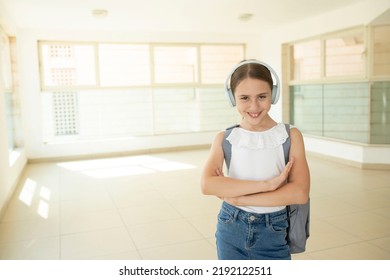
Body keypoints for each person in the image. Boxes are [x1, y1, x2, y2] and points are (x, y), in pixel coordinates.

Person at [201, 59, 310, 260]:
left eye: (262, 96)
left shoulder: (290, 135)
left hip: (273, 230)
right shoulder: (225, 138)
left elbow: (299, 193)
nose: (254, 106)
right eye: (244, 98)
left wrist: (238, 198)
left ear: (273, 95)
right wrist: (268, 185)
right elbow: (208, 185)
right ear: (232, 98)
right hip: (230, 227)